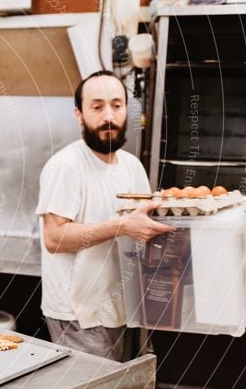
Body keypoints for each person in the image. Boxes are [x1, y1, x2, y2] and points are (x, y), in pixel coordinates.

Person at [36, 70, 173, 361]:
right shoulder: (66, 166)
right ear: (79, 114)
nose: (108, 115)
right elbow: (55, 237)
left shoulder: (132, 166)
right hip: (79, 313)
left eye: (116, 105)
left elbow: (140, 230)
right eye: (97, 107)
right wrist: (122, 226)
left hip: (121, 307)